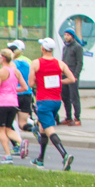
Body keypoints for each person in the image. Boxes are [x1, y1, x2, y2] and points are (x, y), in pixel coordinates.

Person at [32, 36, 79, 170]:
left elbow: (30, 83)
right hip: (56, 101)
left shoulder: (36, 63)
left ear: (43, 48)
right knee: (42, 128)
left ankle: (64, 155)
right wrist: (59, 81)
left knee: (49, 129)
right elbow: (71, 79)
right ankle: (40, 159)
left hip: (43, 101)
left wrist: (40, 82)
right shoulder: (60, 63)